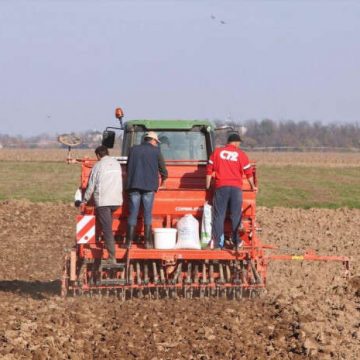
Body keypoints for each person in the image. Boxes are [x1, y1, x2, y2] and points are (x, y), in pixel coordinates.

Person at [206, 132, 257, 250]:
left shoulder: (217, 152)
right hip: (236, 189)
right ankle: (236, 242)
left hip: (221, 187)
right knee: (235, 216)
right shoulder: (241, 154)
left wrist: (207, 185)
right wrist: (252, 186)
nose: (239, 145)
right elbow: (248, 173)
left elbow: (209, 170)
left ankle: (218, 244)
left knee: (219, 216)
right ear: (236, 142)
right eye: (239, 143)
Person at [125, 131, 168, 249]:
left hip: (134, 185)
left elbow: (128, 167)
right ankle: (148, 243)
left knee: (133, 213)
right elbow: (163, 169)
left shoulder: (133, 150)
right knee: (147, 213)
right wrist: (163, 181)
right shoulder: (156, 151)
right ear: (153, 141)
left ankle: (128, 242)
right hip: (149, 186)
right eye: (156, 142)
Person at [83, 145, 123, 263]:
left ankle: (112, 257)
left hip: (104, 202)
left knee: (107, 228)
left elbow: (91, 186)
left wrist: (84, 200)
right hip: (117, 201)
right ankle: (108, 246)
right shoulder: (117, 164)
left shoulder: (98, 166)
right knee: (108, 222)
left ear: (98, 155)